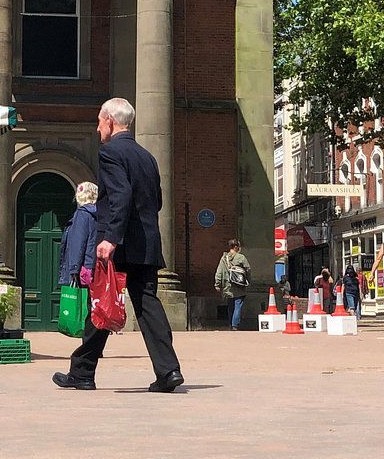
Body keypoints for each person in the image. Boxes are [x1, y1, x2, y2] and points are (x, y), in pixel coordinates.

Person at [53, 98, 184, 393]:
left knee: (101, 302)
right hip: (146, 242)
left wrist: (110, 237)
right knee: (148, 305)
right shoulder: (147, 156)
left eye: (99, 122)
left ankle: (83, 372)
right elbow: (157, 201)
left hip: (119, 242)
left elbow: (120, 195)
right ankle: (169, 371)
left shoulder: (110, 152)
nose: (98, 128)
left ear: (110, 120)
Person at [59, 182, 99, 290]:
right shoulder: (99, 215)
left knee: (82, 303)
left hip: (82, 270)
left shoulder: (82, 214)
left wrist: (74, 269)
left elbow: (78, 242)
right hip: (93, 266)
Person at [215, 239, 251, 330]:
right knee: (238, 304)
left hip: (228, 286)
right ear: (236, 247)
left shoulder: (224, 258)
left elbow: (219, 272)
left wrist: (217, 284)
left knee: (230, 305)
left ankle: (230, 324)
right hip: (239, 286)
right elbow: (248, 269)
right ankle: (235, 325)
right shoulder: (241, 257)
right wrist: (248, 281)